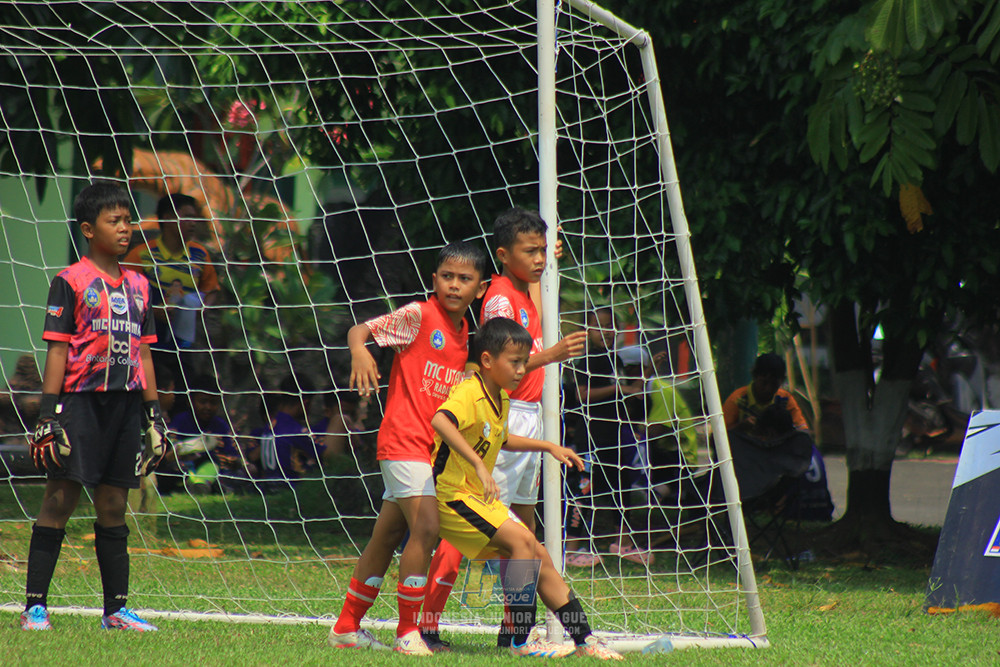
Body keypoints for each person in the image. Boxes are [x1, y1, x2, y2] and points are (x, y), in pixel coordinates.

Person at [420, 207, 586, 649]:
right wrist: (550, 355)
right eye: (530, 251)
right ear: (503, 254)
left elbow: (530, 276)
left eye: (543, 251)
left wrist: (543, 262)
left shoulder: (525, 289)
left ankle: (516, 630)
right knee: (479, 525)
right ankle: (430, 621)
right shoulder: (498, 299)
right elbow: (498, 363)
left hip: (527, 413)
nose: (540, 258)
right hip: (505, 414)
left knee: (524, 529)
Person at [328, 241, 489, 655]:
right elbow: (359, 330)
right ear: (434, 280)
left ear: (480, 288)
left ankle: (346, 627)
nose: (454, 286)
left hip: (429, 452)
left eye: (464, 279)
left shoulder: (465, 334)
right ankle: (407, 632)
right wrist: (359, 350)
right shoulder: (419, 316)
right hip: (402, 442)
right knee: (428, 528)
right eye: (447, 277)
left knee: (387, 537)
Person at [429, 316, 622, 659]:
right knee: (521, 542)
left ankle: (585, 639)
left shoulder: (499, 398)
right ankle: (520, 641)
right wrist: (476, 464)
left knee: (537, 551)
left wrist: (549, 446)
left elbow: (501, 438)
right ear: (487, 361)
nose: (521, 369)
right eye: (515, 362)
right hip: (449, 495)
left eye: (523, 361)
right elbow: (440, 420)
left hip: (473, 498)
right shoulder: (469, 390)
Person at [22, 180, 166, 632]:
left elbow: (143, 352)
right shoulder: (70, 282)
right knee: (60, 499)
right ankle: (34, 607)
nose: (125, 229)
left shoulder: (141, 284)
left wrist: (153, 414)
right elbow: (59, 351)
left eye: (129, 220)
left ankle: (116, 611)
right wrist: (47, 415)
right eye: (114, 221)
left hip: (124, 409)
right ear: (88, 228)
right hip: (80, 406)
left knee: (113, 505)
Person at [573, 307, 653, 565]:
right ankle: (572, 548)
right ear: (587, 331)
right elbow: (582, 395)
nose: (605, 332)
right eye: (599, 327)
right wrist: (619, 387)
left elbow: (630, 392)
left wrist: (649, 372)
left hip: (616, 435)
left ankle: (623, 543)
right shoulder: (586, 359)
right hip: (592, 436)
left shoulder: (615, 359)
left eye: (610, 327)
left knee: (622, 488)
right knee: (584, 492)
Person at [122, 192, 220, 392]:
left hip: (183, 345)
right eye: (186, 217)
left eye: (194, 218)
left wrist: (201, 308)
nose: (193, 223)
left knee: (182, 391)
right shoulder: (141, 254)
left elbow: (211, 290)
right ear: (167, 218)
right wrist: (151, 311)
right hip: (146, 341)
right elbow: (123, 293)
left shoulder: (200, 254)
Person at [160, 373, 243, 494]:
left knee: (239, 473)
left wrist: (230, 461)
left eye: (213, 403)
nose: (208, 407)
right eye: (203, 402)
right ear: (190, 401)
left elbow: (236, 458)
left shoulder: (221, 426)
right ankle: (194, 486)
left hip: (215, 471)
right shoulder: (180, 422)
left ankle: (209, 486)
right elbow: (170, 454)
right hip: (186, 470)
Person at [248, 375, 323, 487]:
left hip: (269, 485)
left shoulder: (269, 427)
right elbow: (328, 455)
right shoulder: (297, 431)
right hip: (290, 487)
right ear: (305, 403)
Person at [722, 352, 810, 434]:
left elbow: (803, 431)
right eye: (764, 383)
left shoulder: (785, 399)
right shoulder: (737, 399)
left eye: (774, 384)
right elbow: (718, 436)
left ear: (782, 381)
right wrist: (739, 427)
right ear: (755, 376)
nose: (768, 389)